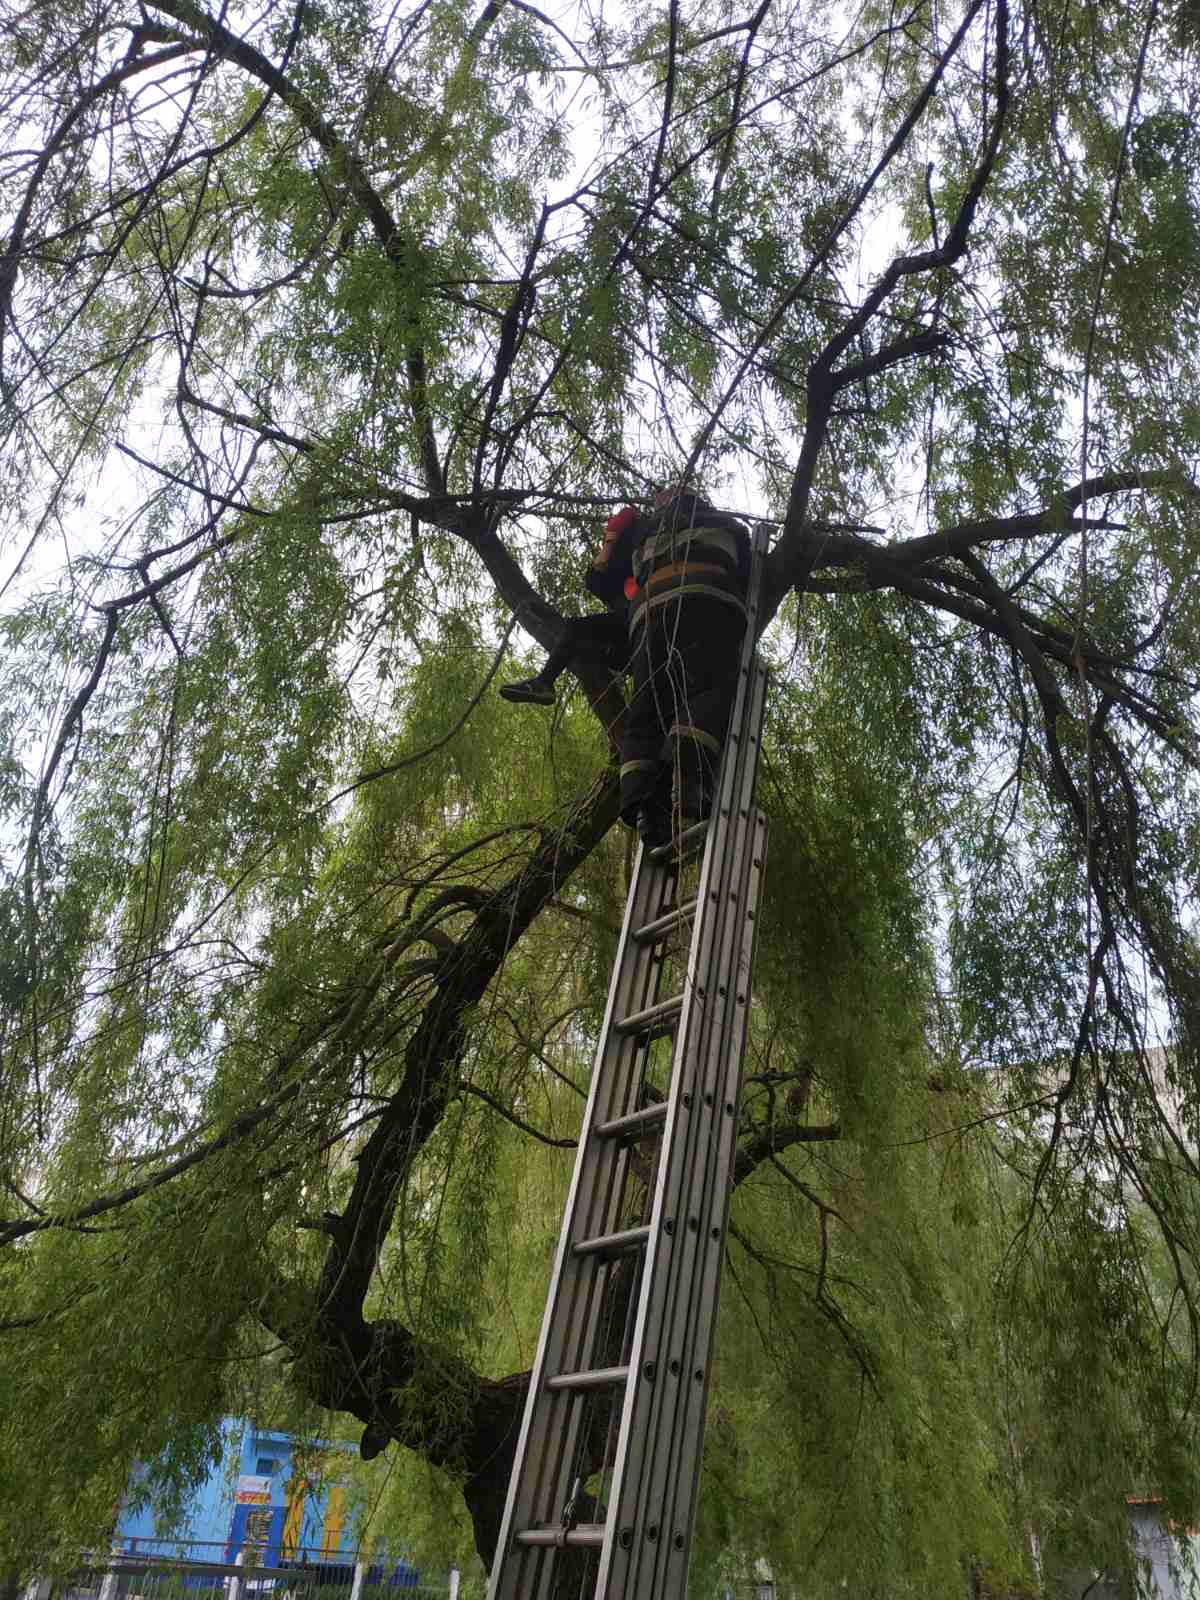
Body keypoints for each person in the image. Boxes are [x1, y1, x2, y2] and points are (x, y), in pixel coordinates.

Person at [618, 485, 751, 849]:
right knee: (708, 687)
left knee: (648, 708)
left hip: (648, 614)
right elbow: (747, 567)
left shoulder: (645, 532)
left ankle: (647, 809)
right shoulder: (728, 525)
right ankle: (688, 785)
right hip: (706, 601)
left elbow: (635, 573)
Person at [499, 504, 647, 704]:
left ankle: (543, 683)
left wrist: (608, 544)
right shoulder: (622, 574)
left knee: (576, 629)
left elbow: (624, 517)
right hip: (634, 644)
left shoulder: (633, 548)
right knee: (586, 645)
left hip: (642, 624)